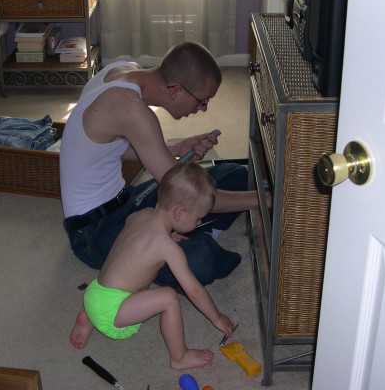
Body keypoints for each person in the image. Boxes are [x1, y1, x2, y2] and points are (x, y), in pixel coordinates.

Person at [60, 41, 264, 288]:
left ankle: (181, 230)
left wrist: (178, 149)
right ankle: (191, 235)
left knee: (236, 174)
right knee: (202, 261)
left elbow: (117, 147)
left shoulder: (122, 71)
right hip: (95, 231)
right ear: (176, 90)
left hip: (127, 200)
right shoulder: (131, 108)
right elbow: (185, 190)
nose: (203, 109)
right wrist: (263, 199)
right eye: (202, 101)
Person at [69, 163, 234, 370]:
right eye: (198, 217)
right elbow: (193, 290)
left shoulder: (140, 215)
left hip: (96, 292)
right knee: (168, 297)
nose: (199, 221)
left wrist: (168, 235)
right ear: (180, 213)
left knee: (139, 272)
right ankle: (180, 357)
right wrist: (216, 317)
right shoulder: (167, 247)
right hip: (113, 313)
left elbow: (136, 245)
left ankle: (88, 318)